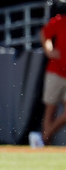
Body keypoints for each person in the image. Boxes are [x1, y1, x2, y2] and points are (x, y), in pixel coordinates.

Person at [36, 11, 66, 146]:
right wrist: (49, 51)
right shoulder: (60, 20)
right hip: (55, 71)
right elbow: (44, 33)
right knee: (50, 109)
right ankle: (46, 145)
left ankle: (44, 137)